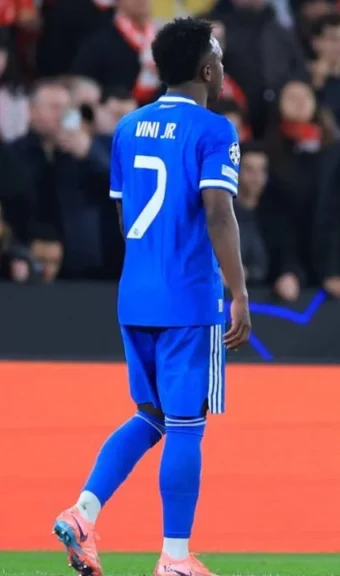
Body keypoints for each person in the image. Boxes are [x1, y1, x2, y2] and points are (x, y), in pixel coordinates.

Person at [51, 17, 251, 576]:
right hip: (188, 295)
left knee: (152, 414)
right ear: (206, 70)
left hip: (136, 292)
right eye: (218, 57)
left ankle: (84, 512)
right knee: (187, 423)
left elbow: (124, 215)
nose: (222, 66)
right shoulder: (214, 130)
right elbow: (219, 212)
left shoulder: (128, 127)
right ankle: (175, 557)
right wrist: (238, 291)